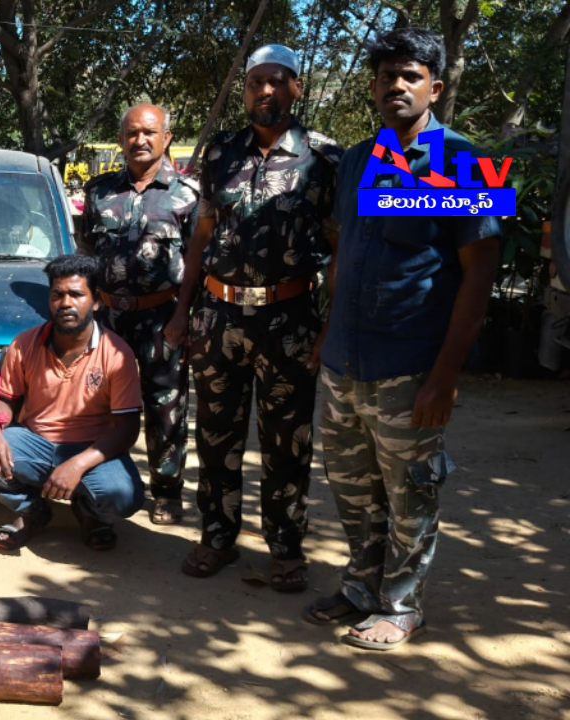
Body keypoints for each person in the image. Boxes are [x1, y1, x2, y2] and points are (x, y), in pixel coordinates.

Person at [304, 28, 499, 650]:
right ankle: (361, 586)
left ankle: (402, 603)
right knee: (353, 488)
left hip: (409, 367)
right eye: (386, 75)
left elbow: (480, 277)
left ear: (434, 87)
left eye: (410, 75)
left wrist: (444, 375)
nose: (396, 85)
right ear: (373, 86)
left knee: (411, 491)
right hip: (344, 361)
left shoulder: (464, 161)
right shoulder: (359, 159)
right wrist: (326, 333)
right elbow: (347, 254)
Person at [163, 45, 343, 591]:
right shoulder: (220, 153)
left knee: (287, 442)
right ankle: (217, 536)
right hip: (218, 318)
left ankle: (286, 549)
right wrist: (181, 314)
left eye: (275, 81)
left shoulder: (326, 158)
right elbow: (201, 236)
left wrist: (329, 327)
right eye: (254, 83)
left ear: (297, 87)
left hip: (289, 321)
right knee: (215, 436)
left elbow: (339, 249)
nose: (263, 91)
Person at [0, 255, 146, 552]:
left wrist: (76, 465)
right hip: (34, 442)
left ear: (96, 302)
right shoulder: (24, 343)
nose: (66, 303)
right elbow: (7, 399)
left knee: (124, 495)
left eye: (76, 294)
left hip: (92, 448)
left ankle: (89, 512)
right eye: (57, 295)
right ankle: (33, 512)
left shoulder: (117, 354)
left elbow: (126, 429)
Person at [78, 103, 199, 526]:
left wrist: (183, 320)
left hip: (162, 319)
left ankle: (167, 491)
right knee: (103, 405)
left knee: (165, 407)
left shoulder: (187, 196)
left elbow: (198, 264)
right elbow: (87, 254)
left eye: (149, 132)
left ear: (166, 138)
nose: (140, 140)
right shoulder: (98, 192)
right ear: (121, 139)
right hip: (109, 322)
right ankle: (107, 482)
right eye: (131, 133)